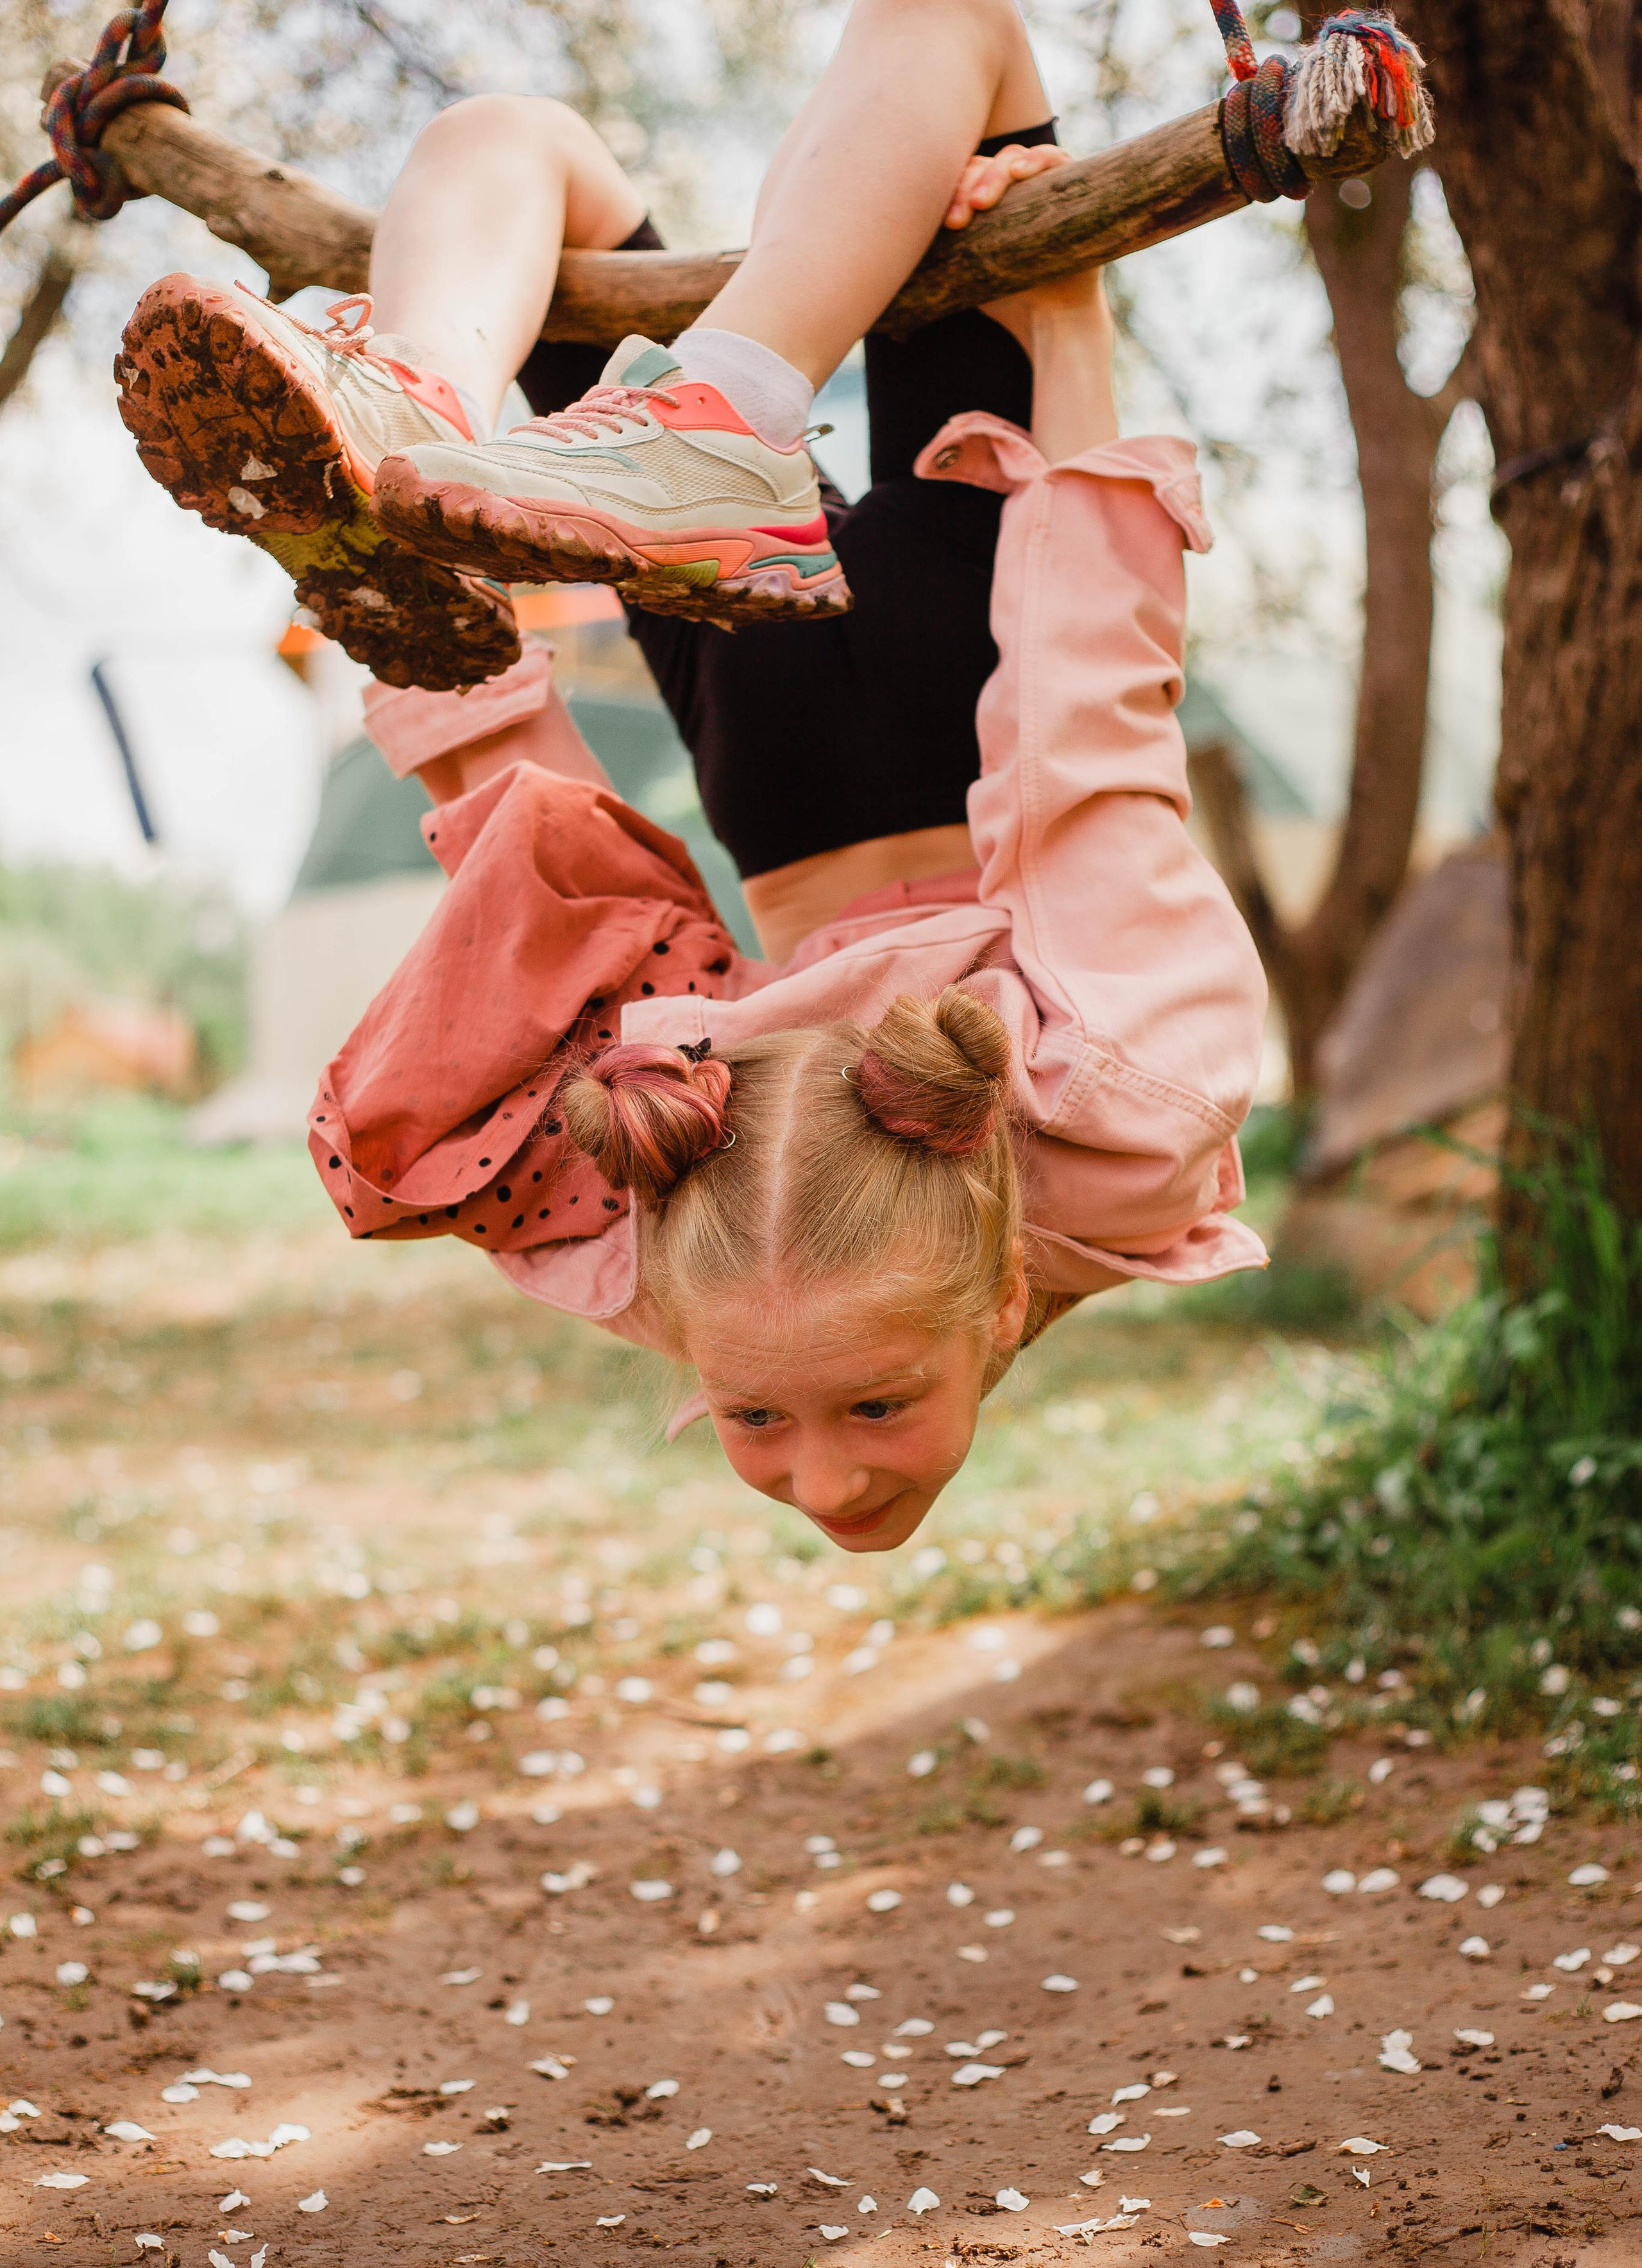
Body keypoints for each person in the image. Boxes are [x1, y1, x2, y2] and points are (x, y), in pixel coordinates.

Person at [117, 0, 1269, 1553]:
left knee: (502, 144)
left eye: (750, 1420)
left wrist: (430, 631)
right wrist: (1069, 340)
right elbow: (1082, 754)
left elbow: (548, 897)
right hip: (975, 657)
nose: (818, 1475)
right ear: (997, 1303)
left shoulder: (671, 1256)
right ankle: (720, 403)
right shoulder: (1125, 1135)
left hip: (764, 745)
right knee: (952, 22)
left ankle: (420, 419)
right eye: (874, 1404)